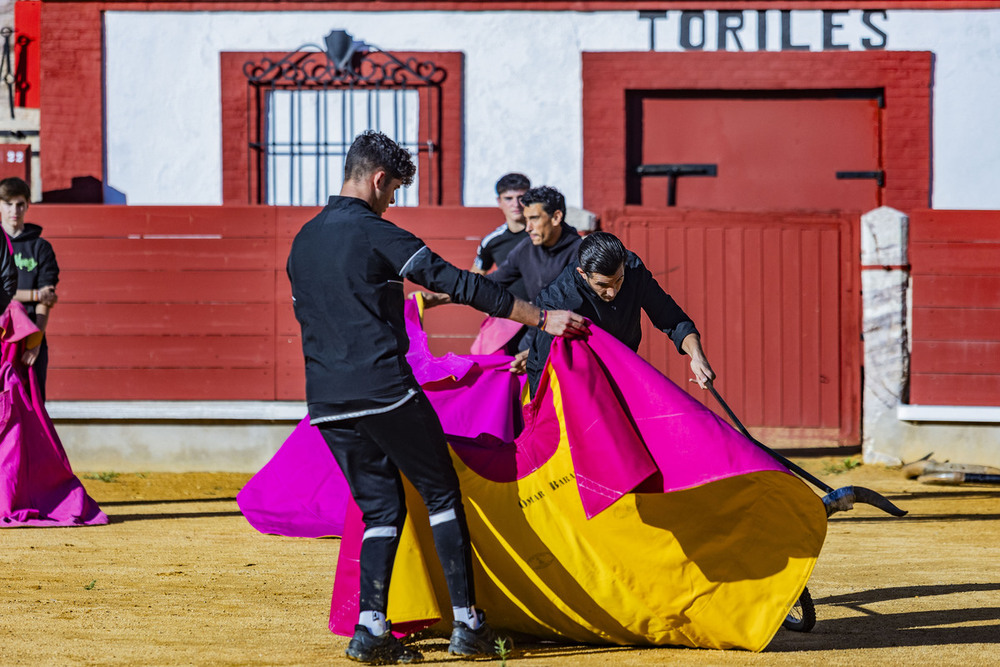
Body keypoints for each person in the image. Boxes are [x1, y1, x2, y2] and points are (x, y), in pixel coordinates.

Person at [286, 131, 588, 665]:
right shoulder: (377, 232)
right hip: (382, 388)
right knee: (442, 492)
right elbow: (460, 283)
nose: (394, 200)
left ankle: (371, 630)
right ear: (379, 179)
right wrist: (540, 317)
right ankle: (469, 624)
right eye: (395, 188)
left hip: (327, 401)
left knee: (380, 508)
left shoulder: (303, 239)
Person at [524, 231, 716, 397]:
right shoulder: (558, 299)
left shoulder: (633, 269)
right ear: (582, 273)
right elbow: (545, 368)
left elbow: (672, 318)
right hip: (576, 382)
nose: (612, 292)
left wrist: (697, 357)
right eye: (602, 285)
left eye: (618, 281)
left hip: (621, 371)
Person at [425, 185, 582, 358]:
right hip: (534, 336)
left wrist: (538, 353)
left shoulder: (581, 253)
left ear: (556, 217)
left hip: (571, 345)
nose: (528, 227)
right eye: (526, 219)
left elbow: (584, 314)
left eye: (535, 219)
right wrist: (439, 298)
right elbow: (491, 282)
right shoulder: (525, 249)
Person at [0, 177, 58, 401]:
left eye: (20, 204)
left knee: (32, 404)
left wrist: (35, 344)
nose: (14, 210)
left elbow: (48, 298)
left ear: (27, 206)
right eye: (8, 203)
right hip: (2, 334)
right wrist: (33, 294)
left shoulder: (41, 247)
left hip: (29, 339)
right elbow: (40, 295)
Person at [471, 173, 530, 300]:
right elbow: (474, 280)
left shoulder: (546, 233)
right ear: (499, 202)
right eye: (509, 198)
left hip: (550, 313)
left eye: (521, 197)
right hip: (512, 314)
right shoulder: (491, 241)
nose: (516, 204)